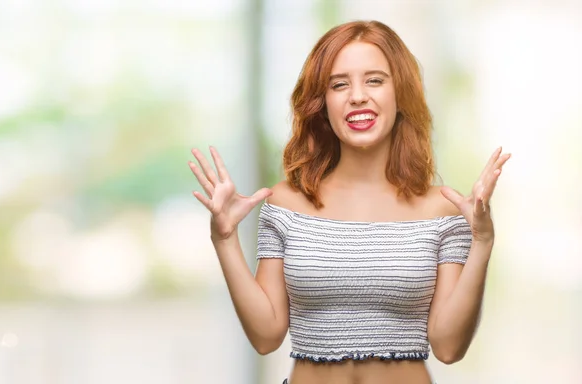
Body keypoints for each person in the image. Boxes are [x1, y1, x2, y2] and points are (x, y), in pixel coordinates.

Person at [188, 20, 510, 384]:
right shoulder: (285, 204)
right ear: (322, 104)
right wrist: (225, 239)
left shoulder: (443, 209)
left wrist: (482, 243)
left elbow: (449, 348)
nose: (357, 95)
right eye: (339, 84)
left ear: (399, 93)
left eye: (374, 80)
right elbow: (266, 337)